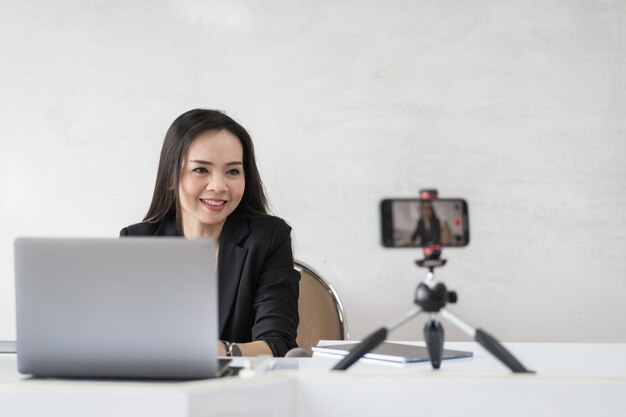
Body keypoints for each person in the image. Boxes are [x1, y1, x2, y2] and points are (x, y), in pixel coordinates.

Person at [120, 109, 299, 357]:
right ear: (171, 177)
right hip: (160, 388)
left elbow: (277, 343)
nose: (218, 186)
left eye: (233, 171)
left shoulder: (268, 238)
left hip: (240, 389)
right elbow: (125, 339)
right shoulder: (138, 241)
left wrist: (222, 351)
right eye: (201, 170)